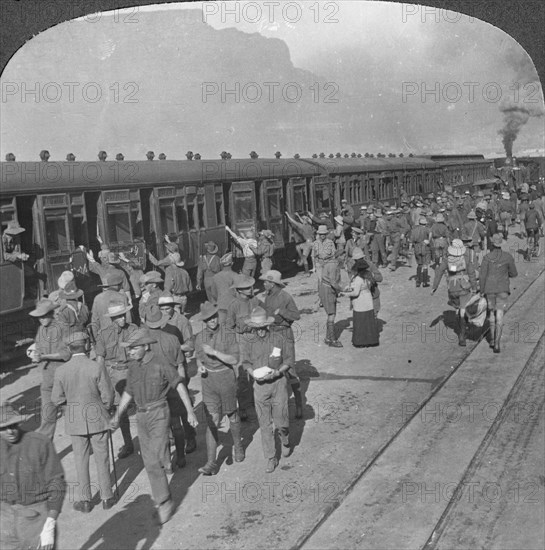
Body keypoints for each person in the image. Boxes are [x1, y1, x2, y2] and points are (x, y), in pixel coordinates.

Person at [110, 329, 198, 524]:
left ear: (146, 346)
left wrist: (190, 412)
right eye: (129, 349)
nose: (130, 352)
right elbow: (129, 392)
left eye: (134, 348)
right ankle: (162, 498)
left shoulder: (161, 363)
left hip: (159, 412)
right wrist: (117, 415)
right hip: (141, 415)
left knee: (155, 457)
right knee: (148, 460)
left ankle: (164, 501)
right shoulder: (133, 367)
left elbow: (179, 385)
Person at [51, 332, 115, 513]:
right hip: (98, 418)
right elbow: (108, 396)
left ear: (69, 349)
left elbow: (56, 398)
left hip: (75, 420)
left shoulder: (61, 371)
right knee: (102, 458)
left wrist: (69, 409)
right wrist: (106, 408)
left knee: (80, 460)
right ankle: (107, 498)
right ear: (86, 345)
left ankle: (85, 501)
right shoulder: (96, 367)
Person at [0, 402, 66, 550]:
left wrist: (50, 523)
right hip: (4, 519)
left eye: (13, 426)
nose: (10, 431)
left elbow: (56, 483)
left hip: (35, 518)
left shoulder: (39, 443)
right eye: (3, 428)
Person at [241, 307, 294, 473]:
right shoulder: (249, 343)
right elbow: (246, 363)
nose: (260, 331)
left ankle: (285, 438)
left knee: (281, 421)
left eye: (263, 327)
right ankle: (271, 457)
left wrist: (278, 372)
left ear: (268, 326)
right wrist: (253, 374)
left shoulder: (280, 338)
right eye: (257, 328)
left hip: (278, 384)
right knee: (264, 424)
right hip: (260, 387)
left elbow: (289, 360)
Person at [194, 302, 244, 475]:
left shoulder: (228, 335)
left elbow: (234, 360)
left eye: (214, 317)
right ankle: (211, 462)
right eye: (208, 319)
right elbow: (198, 358)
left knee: (232, 413)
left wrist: (214, 353)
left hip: (226, 379)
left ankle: (238, 446)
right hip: (208, 381)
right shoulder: (199, 337)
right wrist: (200, 366)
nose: (212, 321)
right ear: (204, 321)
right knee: (212, 420)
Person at [144, 305, 194, 470]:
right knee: (176, 423)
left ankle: (165, 461)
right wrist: (182, 384)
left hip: (154, 388)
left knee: (159, 427)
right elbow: (180, 365)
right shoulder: (172, 338)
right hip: (173, 384)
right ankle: (180, 457)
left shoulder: (143, 342)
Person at [95, 302, 138, 459]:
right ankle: (128, 444)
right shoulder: (104, 334)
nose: (122, 318)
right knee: (122, 410)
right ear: (112, 318)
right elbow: (100, 359)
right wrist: (100, 381)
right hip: (114, 374)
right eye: (118, 316)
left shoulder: (133, 329)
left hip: (133, 370)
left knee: (145, 404)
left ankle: (165, 437)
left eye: (123, 315)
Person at [260, 270, 303, 419]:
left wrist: (282, 311)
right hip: (272, 334)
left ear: (272, 283)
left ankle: (298, 404)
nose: (264, 284)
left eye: (266, 281)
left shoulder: (285, 297)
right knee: (272, 366)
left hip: (285, 334)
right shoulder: (268, 297)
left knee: (290, 368)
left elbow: (296, 315)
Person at [29, 299, 71, 440]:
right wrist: (35, 355)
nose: (41, 319)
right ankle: (45, 453)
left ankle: (83, 445)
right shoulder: (41, 330)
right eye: (39, 317)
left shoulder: (62, 328)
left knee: (71, 416)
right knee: (47, 419)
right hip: (48, 381)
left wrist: (43, 356)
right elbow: (38, 348)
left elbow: (66, 354)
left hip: (62, 380)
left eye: (44, 316)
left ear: (51, 313)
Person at [225, 275, 260, 421]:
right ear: (239, 290)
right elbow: (229, 326)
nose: (250, 289)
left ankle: (256, 401)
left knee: (257, 368)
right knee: (241, 373)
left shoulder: (255, 301)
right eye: (246, 287)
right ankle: (243, 406)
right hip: (240, 339)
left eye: (250, 286)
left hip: (255, 337)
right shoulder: (233, 305)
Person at [431, 239, 478, 347]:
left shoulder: (447, 260)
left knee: (457, 308)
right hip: (464, 287)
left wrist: (434, 287)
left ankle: (459, 328)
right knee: (463, 310)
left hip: (452, 288)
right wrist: (474, 288)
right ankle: (462, 335)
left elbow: (439, 272)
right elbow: (472, 274)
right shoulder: (466, 259)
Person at [480, 234, 518, 353]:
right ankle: (497, 343)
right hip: (502, 289)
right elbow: (514, 273)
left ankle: (491, 339)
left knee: (491, 314)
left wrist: (482, 290)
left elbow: (482, 276)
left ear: (492, 244)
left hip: (489, 289)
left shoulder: (487, 257)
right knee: (500, 315)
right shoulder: (508, 257)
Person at [345, 259, 380, 347]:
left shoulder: (358, 279)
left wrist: (345, 294)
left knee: (360, 323)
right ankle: (372, 341)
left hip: (360, 302)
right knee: (368, 323)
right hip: (368, 301)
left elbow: (355, 292)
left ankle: (360, 342)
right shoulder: (369, 276)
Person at [319, 259, 344, 347]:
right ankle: (332, 340)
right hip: (328, 290)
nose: (344, 258)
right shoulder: (333, 266)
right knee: (331, 315)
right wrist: (342, 289)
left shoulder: (332, 263)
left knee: (331, 314)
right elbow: (333, 282)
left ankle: (328, 338)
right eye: (343, 256)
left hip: (326, 289)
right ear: (340, 256)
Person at [209, 253, 238, 325]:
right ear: (232, 263)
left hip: (221, 306)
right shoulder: (236, 276)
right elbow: (238, 293)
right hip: (233, 307)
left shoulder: (215, 277)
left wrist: (220, 300)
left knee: (221, 330)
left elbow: (213, 293)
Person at [410, 217, 432, 288]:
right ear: (425, 223)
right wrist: (428, 240)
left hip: (417, 247)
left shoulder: (414, 230)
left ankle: (418, 282)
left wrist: (410, 249)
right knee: (425, 265)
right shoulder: (427, 229)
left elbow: (411, 241)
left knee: (419, 264)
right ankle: (425, 282)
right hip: (425, 247)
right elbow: (431, 233)